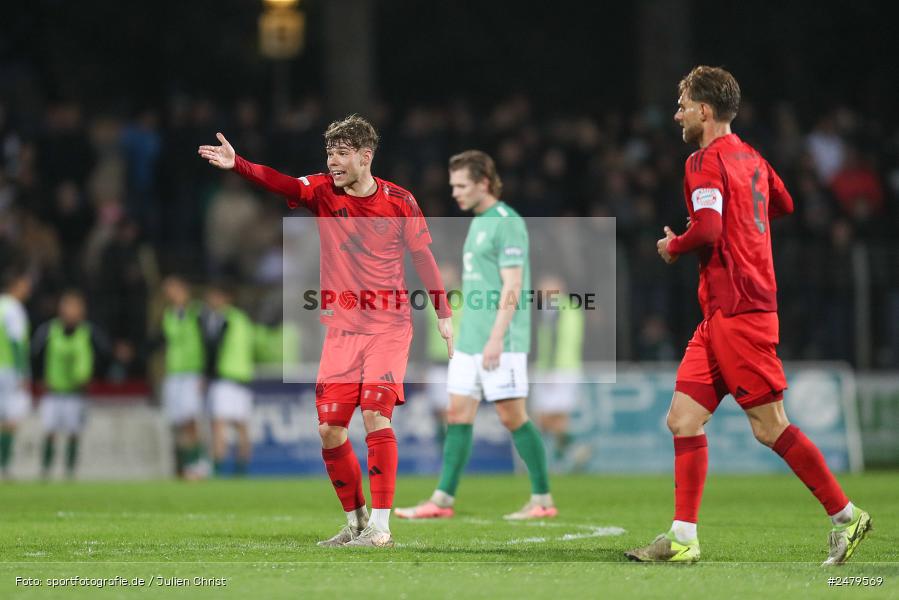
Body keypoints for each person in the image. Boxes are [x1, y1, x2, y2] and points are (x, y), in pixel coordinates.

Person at [626, 66, 870, 565]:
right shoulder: (753, 158)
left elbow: (710, 230)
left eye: (683, 105)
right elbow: (782, 201)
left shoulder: (702, 160)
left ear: (705, 111)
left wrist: (674, 244)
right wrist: (746, 226)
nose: (677, 115)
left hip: (741, 308)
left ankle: (847, 517)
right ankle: (682, 539)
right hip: (722, 311)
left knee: (769, 425)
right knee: (684, 419)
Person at [198, 115, 453, 548]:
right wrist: (239, 163)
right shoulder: (321, 191)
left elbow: (425, 260)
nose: (332, 161)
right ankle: (356, 521)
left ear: (364, 156)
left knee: (375, 413)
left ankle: (381, 527)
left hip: (388, 327)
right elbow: (281, 183)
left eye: (340, 153)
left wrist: (443, 315)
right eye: (329, 153)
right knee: (330, 429)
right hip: (342, 331)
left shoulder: (400, 201)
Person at [396, 150, 556, 521]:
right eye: (453, 185)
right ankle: (442, 500)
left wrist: (497, 337)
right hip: (470, 339)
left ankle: (543, 499)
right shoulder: (479, 222)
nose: (455, 193)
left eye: (462, 185)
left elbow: (513, 285)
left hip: (501, 340)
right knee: (457, 413)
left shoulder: (506, 222)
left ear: (484, 183)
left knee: (512, 416)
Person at [32, 290, 109, 479]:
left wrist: (95, 377)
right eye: (68, 306)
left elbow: (105, 354)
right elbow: (35, 354)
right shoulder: (48, 330)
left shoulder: (89, 332)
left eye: (75, 307)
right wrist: (39, 378)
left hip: (77, 393)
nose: (71, 311)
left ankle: (70, 472)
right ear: (61, 309)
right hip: (54, 391)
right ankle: (45, 470)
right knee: (50, 430)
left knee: (74, 432)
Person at [201, 282, 255, 477]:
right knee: (241, 427)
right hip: (243, 379)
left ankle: (218, 470)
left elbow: (214, 349)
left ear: (224, 298)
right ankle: (241, 472)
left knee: (219, 425)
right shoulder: (243, 320)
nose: (211, 301)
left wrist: (207, 375)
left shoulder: (223, 320)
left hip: (225, 378)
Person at [158, 275, 207, 479]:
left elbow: (206, 342)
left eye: (175, 289)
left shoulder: (197, 313)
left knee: (190, 419)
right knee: (177, 421)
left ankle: (199, 464)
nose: (172, 294)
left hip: (192, 373)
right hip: (174, 374)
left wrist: (205, 373)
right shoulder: (168, 315)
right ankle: (184, 466)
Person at [0, 266, 33, 478]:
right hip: (8, 369)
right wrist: (23, 372)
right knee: (11, 418)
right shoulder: (14, 308)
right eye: (25, 285)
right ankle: (4, 465)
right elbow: (15, 342)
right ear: (16, 286)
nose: (28, 289)